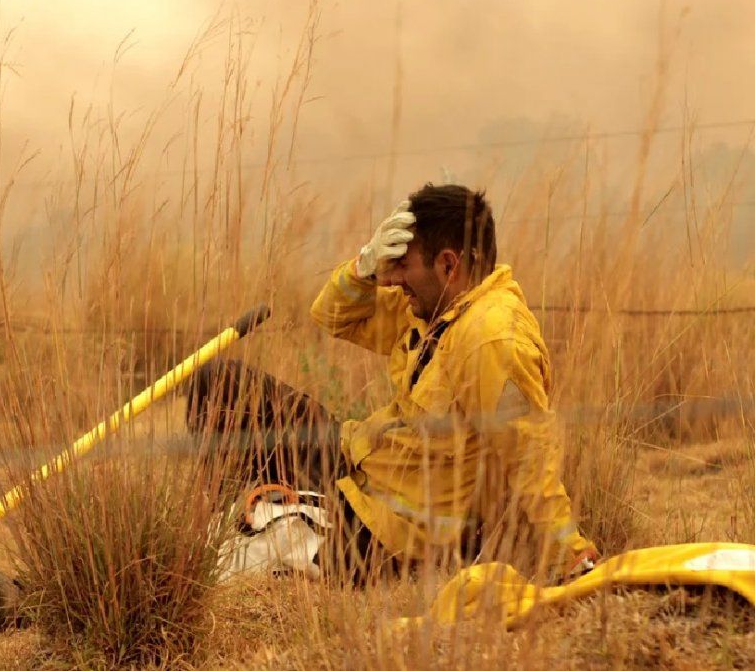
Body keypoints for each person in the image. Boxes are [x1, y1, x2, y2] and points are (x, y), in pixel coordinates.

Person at [187, 183, 598, 584]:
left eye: (403, 264)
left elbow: (529, 457)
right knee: (218, 384)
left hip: (394, 530)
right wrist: (364, 266)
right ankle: (242, 507)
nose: (392, 278)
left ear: (449, 265)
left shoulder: (493, 338)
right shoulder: (432, 307)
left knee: (235, 554)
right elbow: (332, 316)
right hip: (358, 462)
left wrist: (572, 553)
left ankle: (258, 518)